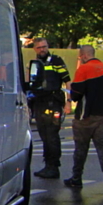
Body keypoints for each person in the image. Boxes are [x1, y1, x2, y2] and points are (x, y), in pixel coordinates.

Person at [64, 45, 103, 195]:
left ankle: (76, 178)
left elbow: (76, 94)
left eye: (80, 57)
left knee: (80, 149)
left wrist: (71, 94)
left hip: (85, 117)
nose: (80, 60)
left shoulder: (83, 70)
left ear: (84, 55)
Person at [28, 38, 72, 179]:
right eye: (39, 47)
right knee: (44, 135)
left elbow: (68, 81)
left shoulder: (56, 61)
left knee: (52, 135)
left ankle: (53, 167)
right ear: (35, 49)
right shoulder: (35, 64)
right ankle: (48, 165)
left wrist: (69, 102)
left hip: (53, 102)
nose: (42, 49)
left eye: (44, 46)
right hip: (39, 103)